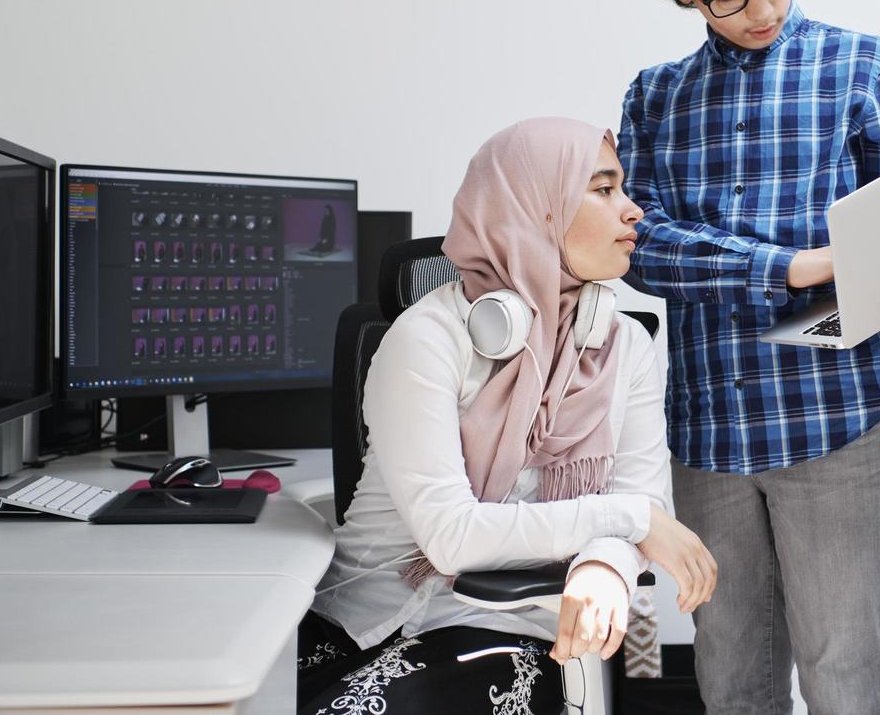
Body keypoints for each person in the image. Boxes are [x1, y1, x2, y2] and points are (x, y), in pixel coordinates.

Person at [618, 0, 880, 715]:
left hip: (839, 424)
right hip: (709, 435)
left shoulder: (864, 68)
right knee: (731, 684)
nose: (763, 8)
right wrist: (785, 266)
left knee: (846, 680)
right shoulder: (655, 101)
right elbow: (642, 249)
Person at [300, 117, 718, 714]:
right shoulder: (428, 338)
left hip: (509, 629)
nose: (633, 212)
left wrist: (605, 563)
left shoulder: (625, 344)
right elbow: (452, 537)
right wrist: (629, 520)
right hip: (364, 622)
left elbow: (640, 506)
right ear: (535, 208)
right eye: (603, 190)